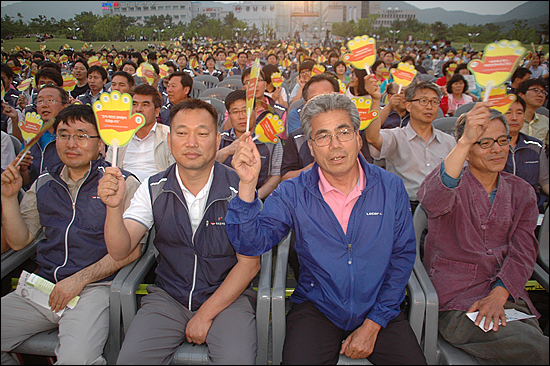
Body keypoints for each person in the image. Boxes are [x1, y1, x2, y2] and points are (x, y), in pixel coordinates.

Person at [226, 92, 426, 365]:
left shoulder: (390, 188)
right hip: (318, 305)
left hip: (379, 307)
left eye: (343, 132)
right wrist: (247, 186)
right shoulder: (293, 191)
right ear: (311, 146)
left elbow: (402, 256)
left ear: (358, 137)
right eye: (323, 136)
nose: (335, 145)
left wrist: (374, 323)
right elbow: (251, 243)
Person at [99, 99, 260, 365]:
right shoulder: (154, 188)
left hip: (228, 297)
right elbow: (119, 250)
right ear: (170, 139)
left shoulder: (239, 187)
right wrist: (113, 208)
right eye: (182, 133)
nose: (192, 142)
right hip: (168, 298)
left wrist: (205, 314)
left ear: (218, 140)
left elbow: (250, 265)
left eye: (203, 133)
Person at [1, 104, 141, 365]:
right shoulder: (44, 183)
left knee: (76, 360)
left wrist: (78, 280)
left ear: (101, 144)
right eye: (64, 135)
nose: (71, 143)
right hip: (44, 287)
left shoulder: (121, 183)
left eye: (82, 135)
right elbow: (20, 240)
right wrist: (8, 199)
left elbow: (130, 252)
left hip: (94, 288)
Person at [417, 104, 549, 364]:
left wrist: (499, 295)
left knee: (528, 344)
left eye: (502, 140)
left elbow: (524, 251)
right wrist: (465, 140)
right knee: (536, 349)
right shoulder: (452, 185)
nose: (497, 149)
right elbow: (432, 200)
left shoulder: (522, 192)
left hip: (507, 298)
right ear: (466, 150)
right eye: (484, 142)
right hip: (458, 302)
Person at [364, 79, 456, 213]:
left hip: (444, 209)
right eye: (423, 101)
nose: (429, 107)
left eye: (434, 102)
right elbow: (372, 138)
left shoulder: (450, 142)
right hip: (406, 207)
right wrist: (376, 100)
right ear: (408, 106)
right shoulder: (397, 137)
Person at [217, 89, 282, 200]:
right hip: (222, 198)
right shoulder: (220, 138)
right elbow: (206, 168)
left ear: (255, 111)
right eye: (235, 112)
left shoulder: (271, 141)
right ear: (229, 114)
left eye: (245, 111)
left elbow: (275, 177)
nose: (241, 116)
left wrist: (254, 197)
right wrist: (227, 150)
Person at [105, 84, 174, 183]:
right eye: (134, 104)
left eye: (145, 105)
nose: (138, 109)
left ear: (157, 111)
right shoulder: (119, 137)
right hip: (123, 189)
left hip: (156, 190)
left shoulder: (168, 135)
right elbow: (108, 167)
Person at [503, 96, 549, 211]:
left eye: (519, 113)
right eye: (508, 113)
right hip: (498, 209)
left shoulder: (535, 146)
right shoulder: (489, 147)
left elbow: (545, 181)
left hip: (530, 208)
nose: (514, 118)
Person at [517, 78, 549, 149]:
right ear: (521, 95)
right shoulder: (511, 119)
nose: (541, 95)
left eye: (543, 92)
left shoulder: (545, 121)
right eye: (536, 90)